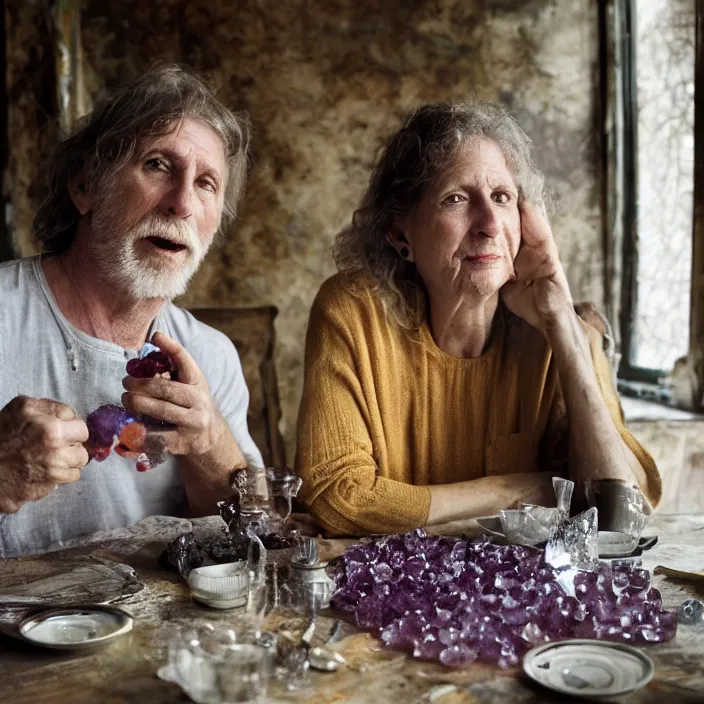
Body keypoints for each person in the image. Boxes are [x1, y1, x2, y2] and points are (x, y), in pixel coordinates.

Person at [296, 102, 661, 537]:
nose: (489, 223)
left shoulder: (560, 334)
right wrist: (511, 490)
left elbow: (624, 516)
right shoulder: (354, 312)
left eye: (502, 198)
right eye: (456, 199)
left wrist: (562, 324)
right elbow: (339, 498)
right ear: (400, 234)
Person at [0, 64, 262, 557]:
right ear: (84, 187)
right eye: (158, 165)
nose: (182, 203)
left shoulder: (211, 355)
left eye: (207, 183)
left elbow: (253, 534)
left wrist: (210, 442)